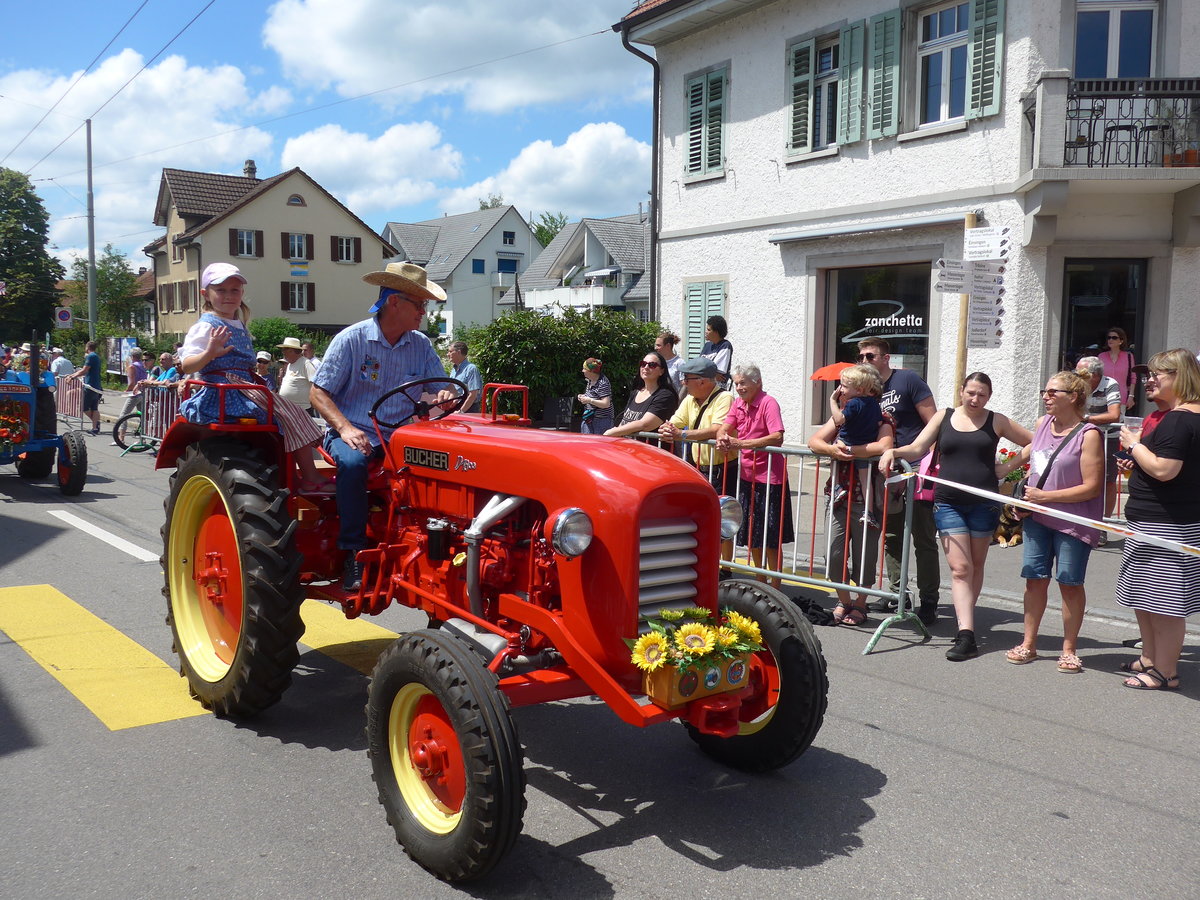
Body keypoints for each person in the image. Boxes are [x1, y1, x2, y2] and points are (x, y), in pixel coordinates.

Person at [311, 261, 454, 592]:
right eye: (419, 304)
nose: (423, 312)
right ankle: (353, 551)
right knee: (353, 463)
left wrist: (443, 394)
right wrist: (345, 429)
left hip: (401, 437)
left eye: (424, 305)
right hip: (355, 430)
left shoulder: (420, 344)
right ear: (394, 302)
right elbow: (318, 392)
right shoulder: (352, 340)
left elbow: (436, 388)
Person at [879, 372, 1032, 661]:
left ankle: (966, 620)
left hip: (984, 503)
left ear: (989, 396)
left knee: (975, 565)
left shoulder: (995, 420)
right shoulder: (943, 416)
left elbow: (1035, 441)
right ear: (961, 391)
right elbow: (917, 448)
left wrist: (1006, 468)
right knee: (960, 569)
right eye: (970, 392)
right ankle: (967, 634)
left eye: (982, 395)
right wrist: (892, 451)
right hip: (948, 502)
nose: (975, 399)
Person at [178, 262, 327, 490]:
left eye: (234, 290)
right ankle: (309, 476)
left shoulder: (239, 323)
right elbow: (187, 366)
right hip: (224, 391)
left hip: (243, 386)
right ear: (205, 294)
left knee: (294, 413)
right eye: (221, 290)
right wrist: (209, 352)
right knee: (290, 414)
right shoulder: (205, 326)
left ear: (242, 293)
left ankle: (300, 471)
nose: (228, 296)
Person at [997, 371, 1103, 673]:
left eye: (1053, 392)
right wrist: (1007, 471)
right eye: (1045, 391)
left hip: (1072, 521)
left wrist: (1046, 497)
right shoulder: (1043, 424)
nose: (1046, 396)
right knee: (1034, 579)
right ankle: (1028, 642)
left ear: (1073, 397)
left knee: (1069, 582)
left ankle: (1069, 649)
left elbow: (1092, 486)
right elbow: (1035, 455)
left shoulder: (1088, 434)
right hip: (1037, 518)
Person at [1114, 348, 1200, 691]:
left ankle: (1165, 671)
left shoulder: (1180, 419)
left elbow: (1165, 470)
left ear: (1180, 377)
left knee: (1163, 604)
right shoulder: (1182, 417)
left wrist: (1135, 446)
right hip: (1159, 521)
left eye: (1158, 374)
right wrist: (1139, 461)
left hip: (1166, 524)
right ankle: (1151, 658)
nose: (1150, 380)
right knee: (1145, 598)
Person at [856, 338, 940, 624]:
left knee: (923, 536)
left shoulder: (908, 380)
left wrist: (929, 465)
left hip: (914, 467)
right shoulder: (866, 391)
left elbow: (933, 422)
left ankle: (929, 599)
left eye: (870, 355)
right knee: (891, 536)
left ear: (885, 358)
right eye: (861, 356)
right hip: (886, 470)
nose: (864, 360)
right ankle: (896, 593)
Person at [809, 394, 895, 626]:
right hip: (837, 496)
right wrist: (832, 451)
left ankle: (860, 604)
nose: (842, 391)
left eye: (846, 387)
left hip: (866, 499)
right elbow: (814, 441)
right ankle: (843, 600)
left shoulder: (882, 418)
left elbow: (882, 446)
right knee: (833, 554)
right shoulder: (842, 418)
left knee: (864, 556)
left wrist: (846, 448)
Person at [716, 364, 793, 587]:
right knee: (753, 534)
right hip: (748, 477)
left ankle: (776, 586)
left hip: (771, 479)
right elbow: (724, 427)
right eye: (737, 383)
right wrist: (722, 437)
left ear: (757, 382)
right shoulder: (739, 403)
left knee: (771, 537)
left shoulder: (768, 403)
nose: (739, 388)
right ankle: (760, 581)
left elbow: (777, 437)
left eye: (743, 383)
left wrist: (741, 443)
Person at [659, 357, 738, 563]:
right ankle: (705, 561)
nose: (683, 382)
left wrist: (682, 435)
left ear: (702, 381)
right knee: (700, 517)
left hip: (722, 467)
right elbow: (675, 422)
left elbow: (717, 429)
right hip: (699, 467)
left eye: (687, 378)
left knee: (722, 517)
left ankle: (725, 566)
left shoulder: (725, 398)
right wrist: (667, 428)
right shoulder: (689, 400)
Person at [1076, 355, 1123, 529]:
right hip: (1083, 437)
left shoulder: (1110, 384)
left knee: (1109, 481)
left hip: (1108, 437)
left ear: (1095, 375)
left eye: (1081, 372)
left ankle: (1104, 524)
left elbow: (1114, 415)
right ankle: (1082, 520)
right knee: (1081, 478)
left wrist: (1086, 419)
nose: (1077, 376)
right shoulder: (1077, 384)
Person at [605, 350, 678, 438]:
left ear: (661, 371)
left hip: (649, 450)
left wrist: (613, 432)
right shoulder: (635, 392)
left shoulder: (665, 396)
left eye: (652, 365)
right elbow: (624, 422)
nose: (646, 367)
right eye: (643, 364)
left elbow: (645, 425)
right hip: (627, 448)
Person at [64, 340, 103, 434]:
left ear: (87, 347)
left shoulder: (90, 356)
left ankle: (96, 423)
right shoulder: (96, 356)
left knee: (84, 408)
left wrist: (72, 376)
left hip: (90, 386)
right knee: (94, 408)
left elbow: (84, 370)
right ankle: (95, 427)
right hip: (97, 386)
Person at [1099, 326, 1136, 410]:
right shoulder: (1101, 356)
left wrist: (1131, 396)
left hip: (1121, 397)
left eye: (1114, 338)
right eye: (1109, 338)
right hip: (1103, 397)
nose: (1110, 340)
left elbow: (1133, 378)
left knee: (1118, 421)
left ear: (1121, 341)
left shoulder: (1128, 357)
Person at [277, 337, 317, 414]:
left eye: (285, 349)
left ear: (292, 351)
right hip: (288, 409)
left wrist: (314, 403)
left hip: (302, 410)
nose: (283, 352)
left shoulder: (306, 364)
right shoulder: (289, 365)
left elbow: (315, 385)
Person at [577, 358, 613, 434]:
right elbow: (593, 396)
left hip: (601, 420)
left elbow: (606, 404)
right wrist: (583, 397)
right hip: (589, 418)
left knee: (599, 444)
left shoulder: (603, 383)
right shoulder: (590, 380)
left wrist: (589, 400)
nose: (582, 371)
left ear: (591, 371)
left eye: (584, 369)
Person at [447, 340, 482, 413]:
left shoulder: (471, 369)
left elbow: (473, 394)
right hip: (456, 408)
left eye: (450, 351)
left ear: (458, 352)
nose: (448, 354)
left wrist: (461, 411)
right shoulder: (454, 369)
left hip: (469, 410)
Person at [701, 315, 732, 387]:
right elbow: (699, 368)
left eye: (709, 330)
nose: (706, 332)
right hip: (703, 386)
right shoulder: (707, 346)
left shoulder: (725, 346)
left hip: (717, 388)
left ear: (716, 332)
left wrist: (707, 373)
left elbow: (718, 371)